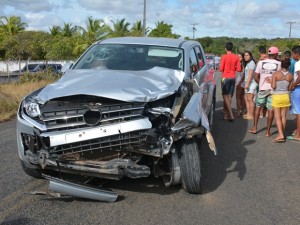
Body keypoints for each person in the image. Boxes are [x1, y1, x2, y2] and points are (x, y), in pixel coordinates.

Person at [249, 46, 281, 137]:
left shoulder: (260, 63)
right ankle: (268, 131)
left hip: (262, 89)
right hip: (273, 89)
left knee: (258, 107)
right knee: (271, 110)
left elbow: (255, 77)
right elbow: (280, 77)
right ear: (275, 54)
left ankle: (254, 128)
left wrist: (261, 84)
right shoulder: (279, 64)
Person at [270, 59, 293, 143]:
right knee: (283, 116)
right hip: (286, 96)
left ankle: (280, 135)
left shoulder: (275, 74)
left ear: (281, 65)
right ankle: (281, 133)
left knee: (277, 117)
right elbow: (290, 88)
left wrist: (270, 81)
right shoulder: (291, 75)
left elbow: (273, 86)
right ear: (289, 66)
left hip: (277, 96)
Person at [219, 42, 242, 121]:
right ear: (232, 48)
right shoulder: (236, 57)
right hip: (233, 77)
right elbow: (239, 69)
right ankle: (226, 115)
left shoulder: (224, 57)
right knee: (229, 97)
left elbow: (221, 69)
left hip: (225, 77)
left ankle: (230, 114)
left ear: (225, 48)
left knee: (225, 96)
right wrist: (233, 67)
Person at [287, 45, 300, 142]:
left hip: (298, 89)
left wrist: (293, 85)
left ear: (297, 54)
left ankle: (298, 135)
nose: (292, 56)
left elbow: (299, 77)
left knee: (298, 113)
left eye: (293, 54)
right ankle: (298, 130)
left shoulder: (298, 63)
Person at [243, 50, 257, 120]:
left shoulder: (251, 63)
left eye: (247, 55)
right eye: (245, 55)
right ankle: (248, 113)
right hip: (247, 82)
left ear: (250, 56)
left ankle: (251, 115)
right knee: (246, 98)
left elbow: (251, 74)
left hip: (251, 83)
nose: (245, 57)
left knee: (250, 99)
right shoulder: (248, 63)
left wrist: (247, 83)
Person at [235, 52, 246, 117]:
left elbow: (243, 74)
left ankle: (238, 111)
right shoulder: (242, 63)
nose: (238, 58)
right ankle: (243, 111)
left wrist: (239, 83)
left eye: (240, 57)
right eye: (237, 57)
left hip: (241, 81)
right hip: (242, 81)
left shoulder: (243, 64)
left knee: (238, 97)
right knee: (242, 97)